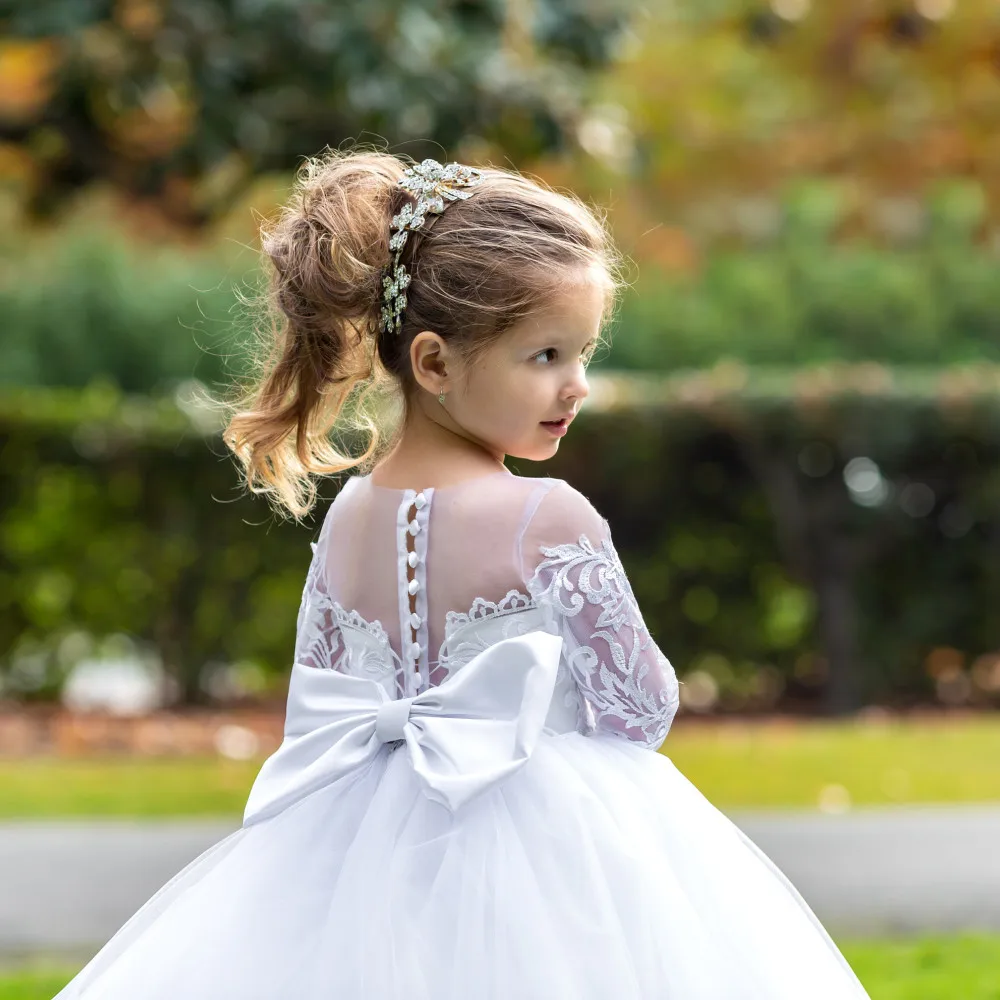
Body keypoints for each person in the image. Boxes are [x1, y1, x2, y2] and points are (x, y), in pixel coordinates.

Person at [55, 150, 870, 999]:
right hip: (549, 845)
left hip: (355, 846)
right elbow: (640, 707)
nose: (577, 385)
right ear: (436, 364)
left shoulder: (350, 517)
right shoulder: (546, 517)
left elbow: (319, 701)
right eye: (546, 355)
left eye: (584, 353)